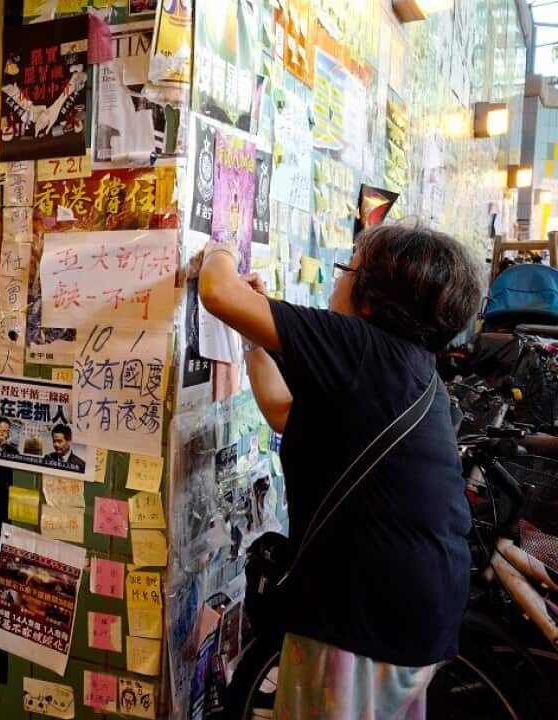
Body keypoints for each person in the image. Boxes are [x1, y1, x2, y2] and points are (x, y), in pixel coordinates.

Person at [197, 225, 479, 720]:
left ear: (373, 296)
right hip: (412, 615)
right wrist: (255, 342)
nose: (336, 278)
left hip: (366, 615)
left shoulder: (365, 347)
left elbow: (218, 291)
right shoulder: (408, 365)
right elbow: (282, 411)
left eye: (347, 267)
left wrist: (217, 240)